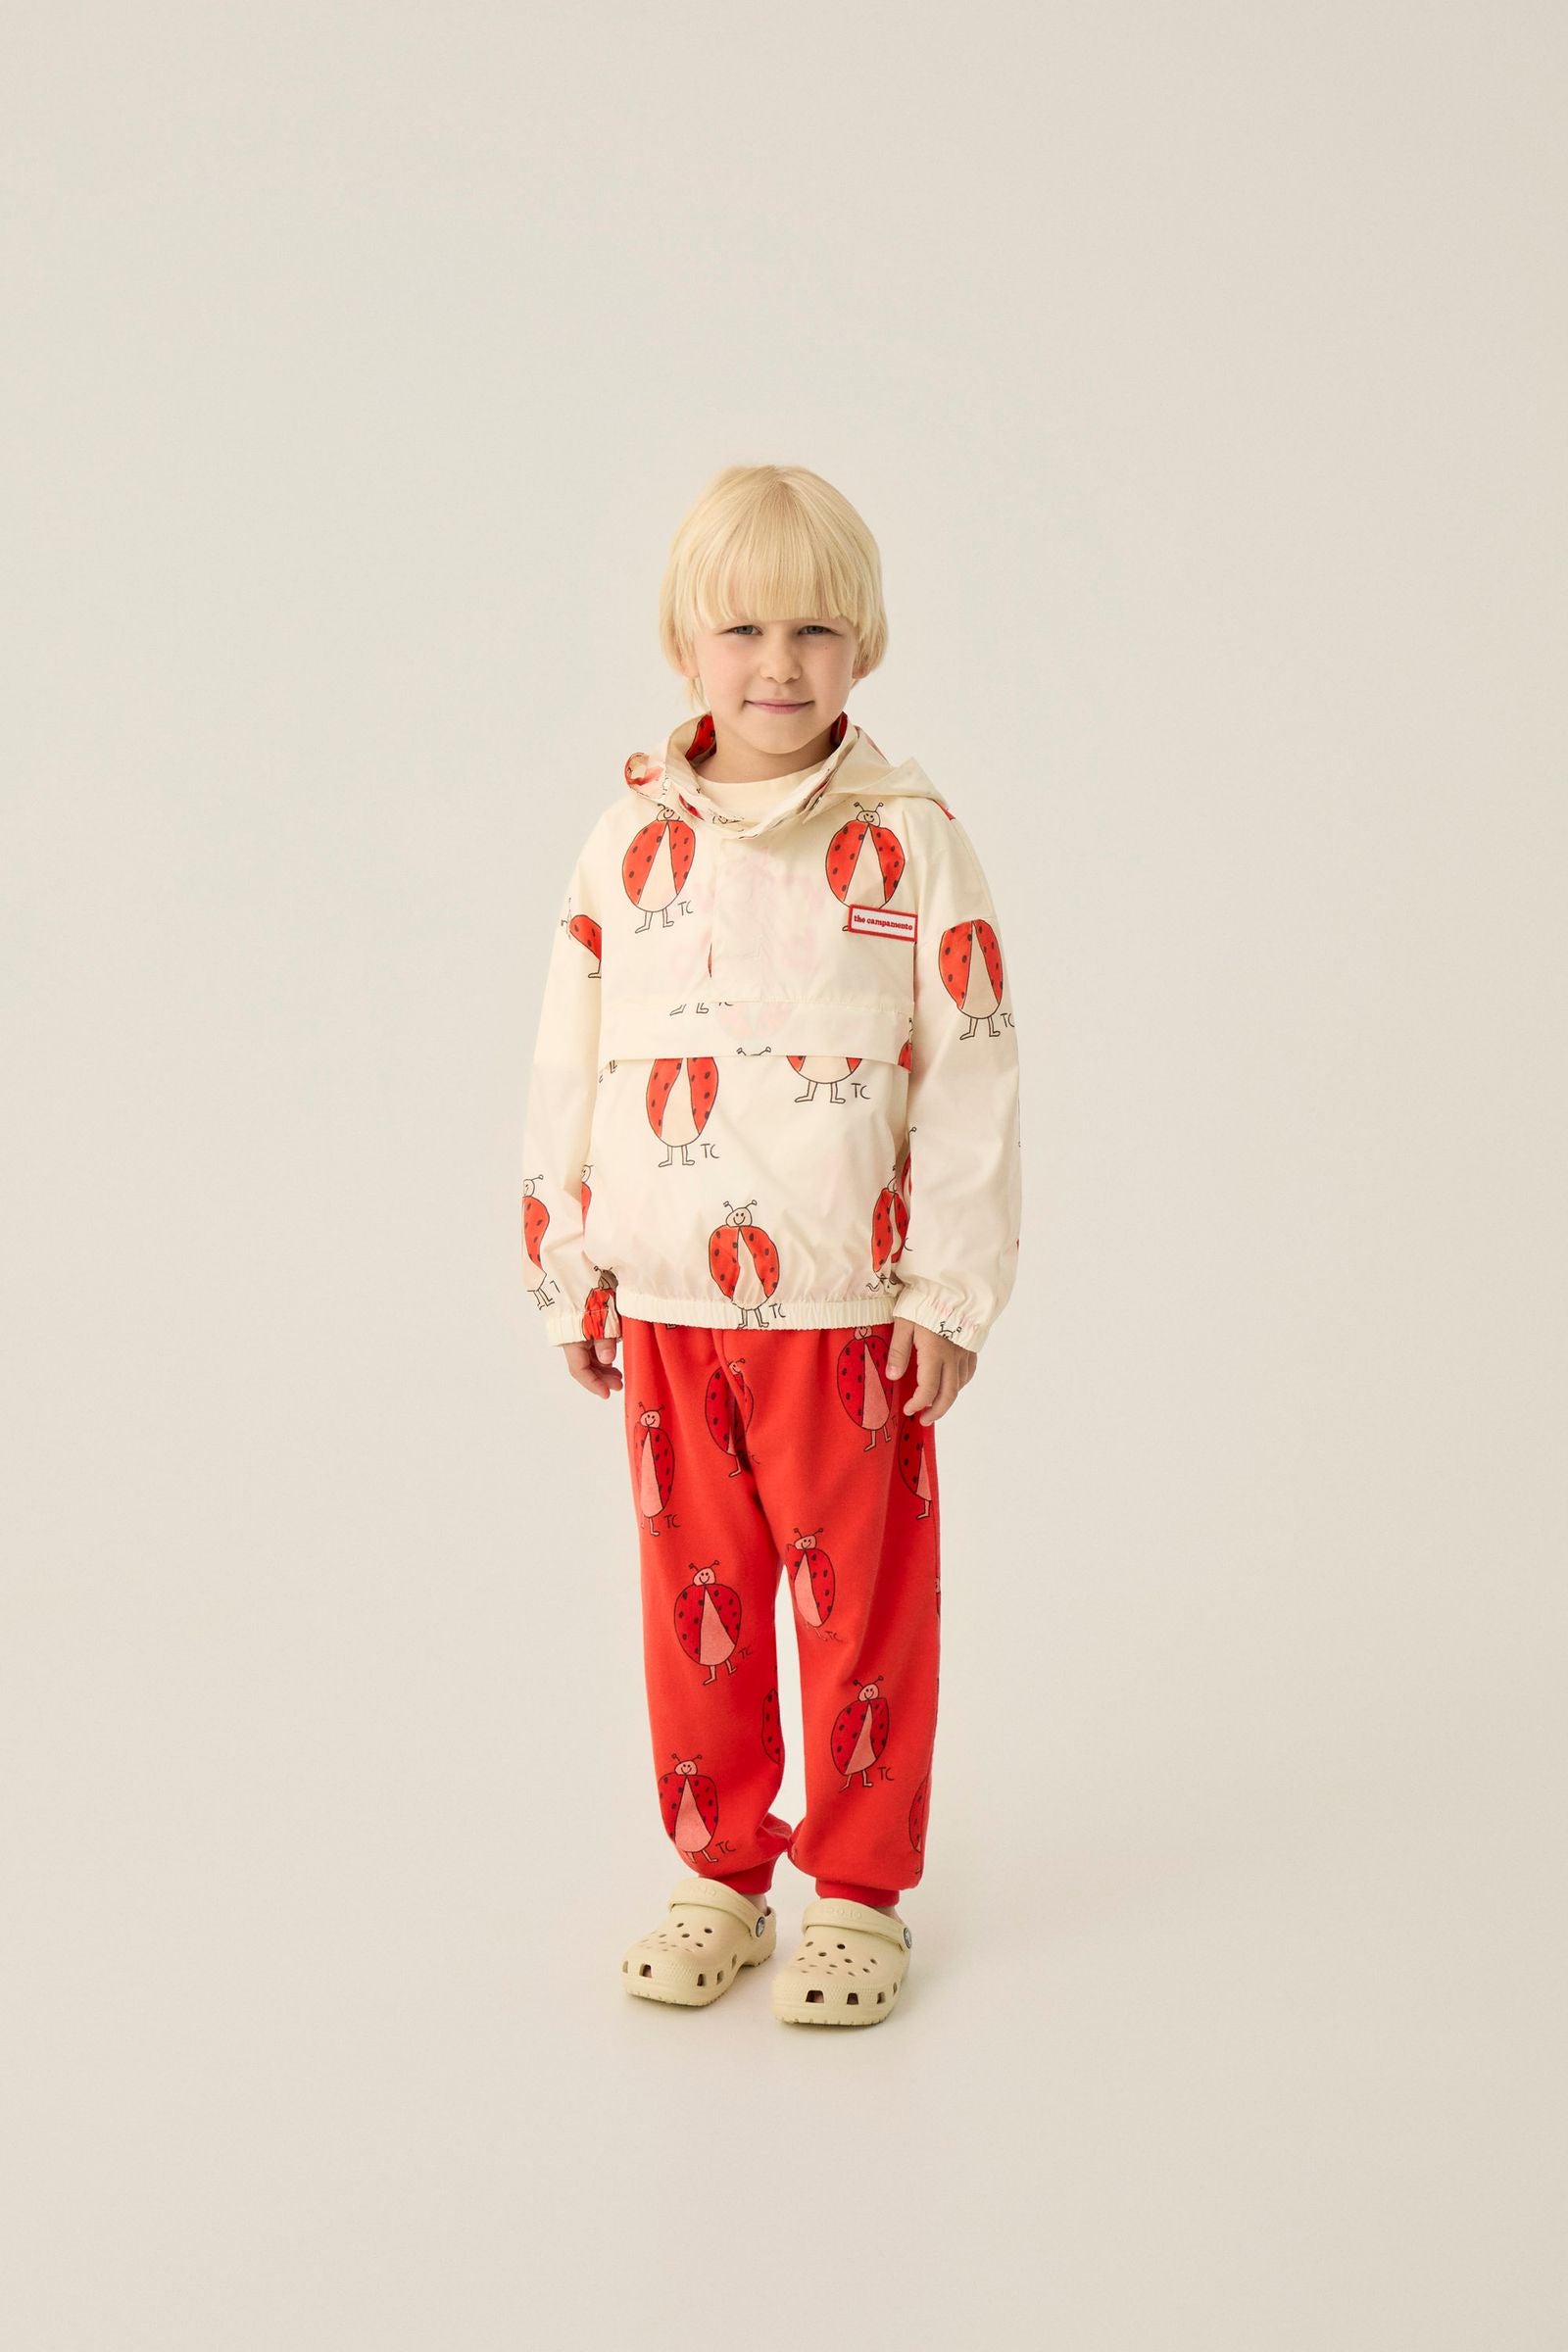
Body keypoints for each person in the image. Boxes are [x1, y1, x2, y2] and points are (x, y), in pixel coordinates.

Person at [519, 463, 1022, 2026]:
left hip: (846, 1315)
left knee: (861, 1614)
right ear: (686, 645)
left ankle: (858, 1895)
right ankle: (720, 1876)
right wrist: (569, 1261)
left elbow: (974, 1066)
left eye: (816, 629)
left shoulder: (912, 840)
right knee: (698, 1608)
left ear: (865, 642)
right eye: (743, 629)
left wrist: (950, 1291)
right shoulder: (624, 845)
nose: (779, 663)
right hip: (671, 1305)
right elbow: (568, 1059)